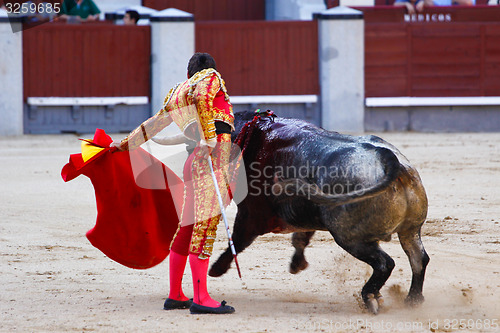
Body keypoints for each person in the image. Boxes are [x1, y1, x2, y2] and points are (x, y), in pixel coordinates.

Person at [110, 53, 236, 315]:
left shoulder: (177, 93)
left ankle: (176, 294)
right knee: (205, 226)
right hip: (211, 158)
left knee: (188, 226)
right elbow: (203, 98)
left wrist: (125, 144)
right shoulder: (210, 77)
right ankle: (201, 298)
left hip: (194, 160)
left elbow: (152, 125)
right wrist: (210, 138)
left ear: (188, 72)